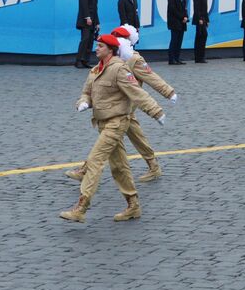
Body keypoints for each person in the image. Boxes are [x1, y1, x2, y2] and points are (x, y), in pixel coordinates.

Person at [59, 34, 165, 224]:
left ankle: (81, 208)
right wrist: (83, 103)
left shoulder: (119, 69)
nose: (96, 48)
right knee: (119, 167)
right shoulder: (94, 71)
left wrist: (156, 112)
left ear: (110, 49)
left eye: (100, 46)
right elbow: (86, 93)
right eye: (97, 45)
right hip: (102, 123)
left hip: (117, 122)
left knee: (95, 161)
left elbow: (137, 93)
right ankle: (133, 205)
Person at [67, 25, 178, 184]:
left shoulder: (134, 59)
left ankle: (86, 170)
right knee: (131, 138)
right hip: (115, 107)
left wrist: (169, 92)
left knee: (110, 139)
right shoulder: (108, 59)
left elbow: (151, 77)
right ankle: (152, 166)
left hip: (126, 108)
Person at [75, 0, 100, 68]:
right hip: (86, 21)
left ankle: (85, 61)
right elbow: (83, 4)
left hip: (92, 22)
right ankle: (78, 61)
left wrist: (97, 22)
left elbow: (95, 9)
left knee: (90, 41)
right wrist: (87, 17)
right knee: (85, 40)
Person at [166, 0, 188, 65]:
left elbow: (185, 8)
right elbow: (173, 10)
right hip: (174, 22)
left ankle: (177, 58)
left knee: (179, 41)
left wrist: (186, 17)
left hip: (182, 23)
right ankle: (171, 59)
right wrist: (182, 17)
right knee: (174, 41)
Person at [192, 0, 211, 64]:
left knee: (203, 36)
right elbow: (197, 9)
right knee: (200, 37)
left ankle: (201, 56)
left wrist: (207, 20)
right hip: (199, 20)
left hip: (203, 19)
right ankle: (198, 57)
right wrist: (199, 19)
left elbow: (205, 10)